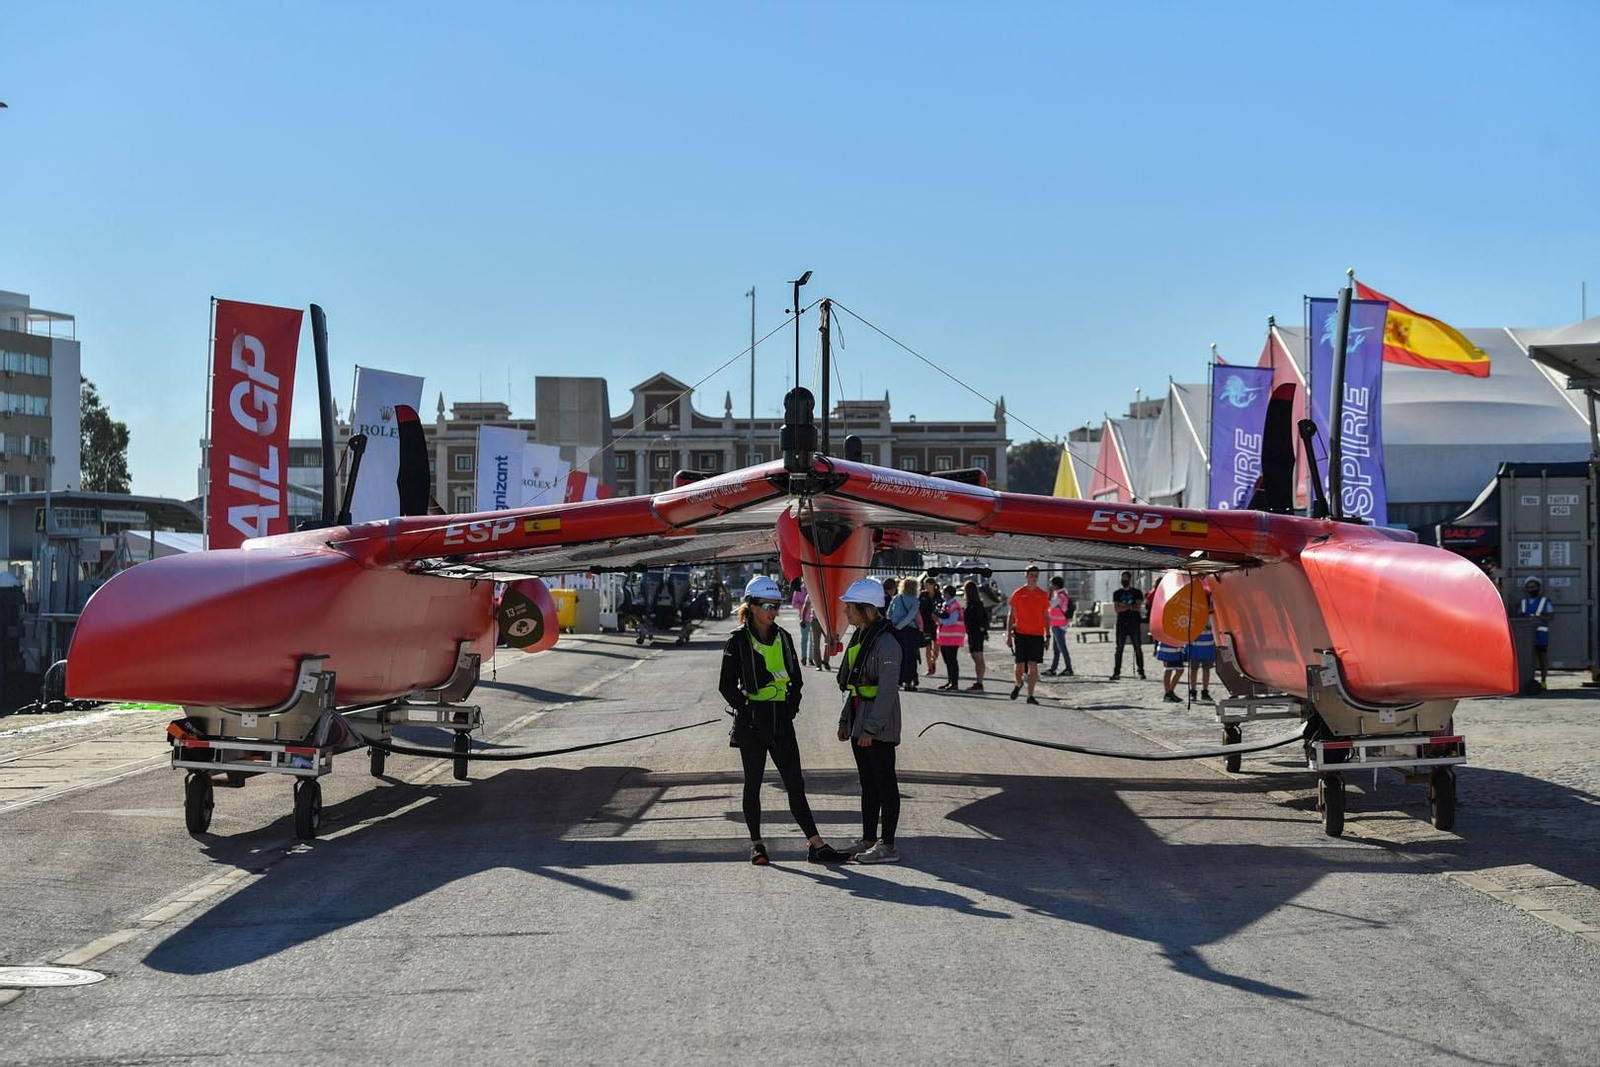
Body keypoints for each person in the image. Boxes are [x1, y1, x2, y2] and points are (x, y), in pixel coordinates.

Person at [718, 575, 851, 865]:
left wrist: (791, 707)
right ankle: (756, 844)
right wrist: (747, 708)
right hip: (752, 723)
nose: (773, 610)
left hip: (780, 720)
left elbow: (796, 679)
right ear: (751, 606)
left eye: (776, 605)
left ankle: (815, 844)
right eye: (767, 605)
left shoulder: (784, 637)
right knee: (752, 783)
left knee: (795, 783)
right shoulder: (737, 640)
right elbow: (726, 685)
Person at [835, 578, 903, 864]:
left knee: (885, 783)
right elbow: (853, 685)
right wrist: (845, 721)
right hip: (859, 720)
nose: (846, 613)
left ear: (866, 609)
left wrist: (871, 728)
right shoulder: (861, 637)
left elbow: (887, 689)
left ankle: (887, 846)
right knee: (868, 783)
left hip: (878, 726)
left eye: (850, 607)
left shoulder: (886, 642)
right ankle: (868, 838)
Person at [1005, 564, 1049, 705]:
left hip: (1037, 634)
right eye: (1031, 575)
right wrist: (1008, 634)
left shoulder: (1042, 595)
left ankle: (1031, 695)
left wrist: (1048, 636)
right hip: (1021, 633)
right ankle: (1018, 684)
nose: (1033, 578)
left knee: (1033, 664)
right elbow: (1011, 615)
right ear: (1026, 575)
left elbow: (1046, 616)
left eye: (1036, 575)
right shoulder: (1018, 593)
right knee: (1019, 665)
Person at [887, 577, 923, 691]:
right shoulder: (914, 600)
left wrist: (894, 625)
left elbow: (889, 612)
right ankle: (910, 680)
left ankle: (899, 680)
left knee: (900, 655)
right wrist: (901, 625)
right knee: (911, 655)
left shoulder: (897, 598)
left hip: (897, 630)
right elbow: (911, 616)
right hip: (910, 630)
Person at [1519, 578, 1554, 693]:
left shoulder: (1545, 601)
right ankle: (1528, 681)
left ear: (1539, 588)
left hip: (1541, 634)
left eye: (1534, 587)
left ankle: (1543, 681)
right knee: (1528, 659)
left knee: (1542, 658)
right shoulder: (1523, 602)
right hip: (1526, 636)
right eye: (1529, 587)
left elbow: (1551, 616)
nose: (1532, 589)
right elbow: (1520, 617)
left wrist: (1539, 618)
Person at [1110, 571, 1147, 681]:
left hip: (1134, 623)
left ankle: (1141, 671)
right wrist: (1130, 606)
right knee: (1119, 648)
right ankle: (1116, 672)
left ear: (1129, 579)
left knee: (1137, 648)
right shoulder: (1117, 593)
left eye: (1125, 578)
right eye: (1122, 578)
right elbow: (1117, 609)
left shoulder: (1137, 592)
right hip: (1121, 623)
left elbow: (1138, 607)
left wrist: (1124, 606)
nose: (1123, 580)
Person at [935, 584, 965, 690]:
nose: (943, 594)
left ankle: (954, 683)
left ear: (948, 593)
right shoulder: (946, 604)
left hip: (953, 637)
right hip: (946, 638)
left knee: (952, 660)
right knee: (947, 660)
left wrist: (938, 620)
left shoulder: (954, 605)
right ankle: (950, 681)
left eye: (944, 592)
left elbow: (952, 620)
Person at [963, 579, 990, 691]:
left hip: (976, 633)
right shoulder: (974, 603)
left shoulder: (975, 605)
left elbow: (980, 620)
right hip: (973, 633)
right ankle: (979, 681)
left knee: (978, 658)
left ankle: (979, 682)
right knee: (976, 657)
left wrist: (982, 631)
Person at [1044, 575, 1074, 677]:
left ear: (1055, 585)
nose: (1050, 586)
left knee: (1062, 648)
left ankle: (1069, 669)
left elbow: (1047, 604)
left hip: (1059, 625)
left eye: (1051, 584)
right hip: (1059, 624)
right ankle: (1053, 669)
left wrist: (1050, 593)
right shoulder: (1063, 594)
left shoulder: (1059, 597)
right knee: (1056, 650)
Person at [1184, 621, 1215, 701]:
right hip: (1195, 648)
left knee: (1206, 670)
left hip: (1208, 648)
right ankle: (1193, 691)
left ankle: (1205, 691)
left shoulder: (1211, 615)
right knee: (1194, 670)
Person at [918, 575, 940, 678]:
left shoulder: (938, 595)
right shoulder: (922, 595)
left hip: (936, 623)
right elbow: (919, 609)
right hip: (925, 623)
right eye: (925, 585)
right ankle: (930, 667)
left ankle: (933, 661)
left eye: (927, 585)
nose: (926, 587)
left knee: (937, 645)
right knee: (927, 646)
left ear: (933, 585)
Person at [792, 576, 812, 666]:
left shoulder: (813, 589)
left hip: (813, 618)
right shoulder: (798, 590)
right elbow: (794, 604)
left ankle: (811, 658)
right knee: (804, 639)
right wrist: (803, 605)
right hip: (803, 619)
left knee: (813, 641)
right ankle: (804, 657)